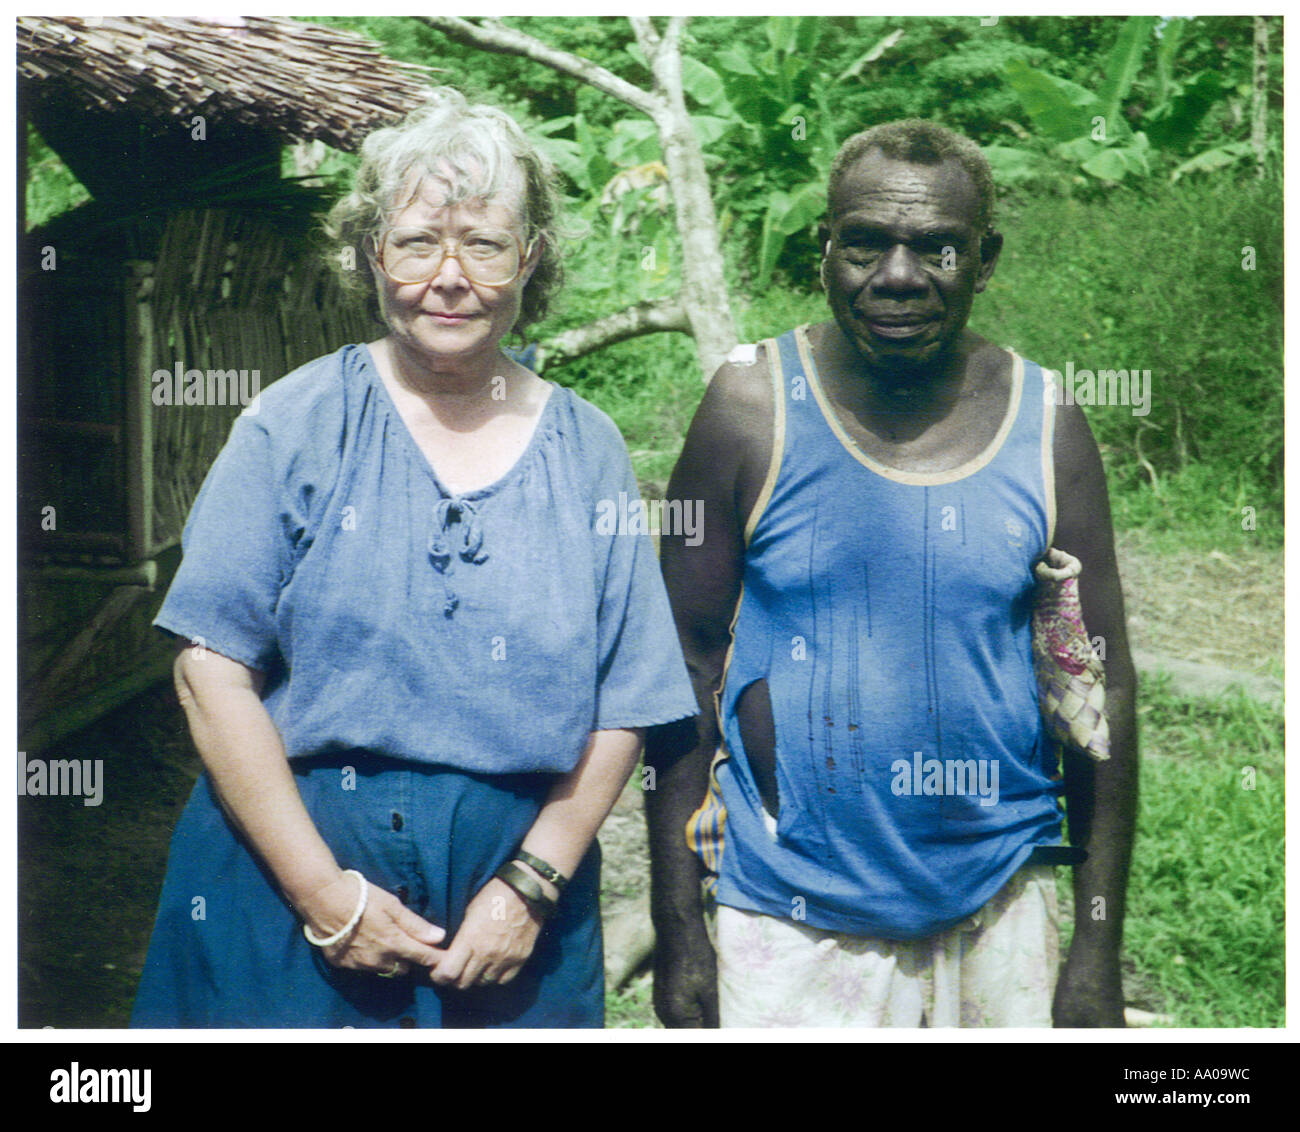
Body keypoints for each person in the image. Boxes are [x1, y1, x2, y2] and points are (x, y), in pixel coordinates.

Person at [131, 87, 697, 1029]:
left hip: (512, 916)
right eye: (418, 240)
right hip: (282, 892)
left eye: (483, 243)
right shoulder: (293, 425)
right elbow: (210, 670)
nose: (449, 275)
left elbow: (626, 701)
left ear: (531, 260)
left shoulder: (589, 446)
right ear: (371, 255)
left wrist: (530, 885)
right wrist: (326, 898)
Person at [645, 120, 1138, 1028]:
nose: (899, 276)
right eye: (866, 244)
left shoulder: (1047, 423)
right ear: (823, 250)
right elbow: (684, 662)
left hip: (998, 901)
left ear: (984, 259)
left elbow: (1097, 688)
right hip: (788, 914)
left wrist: (1096, 949)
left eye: (937, 248)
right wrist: (677, 929)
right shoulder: (751, 405)